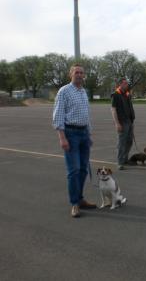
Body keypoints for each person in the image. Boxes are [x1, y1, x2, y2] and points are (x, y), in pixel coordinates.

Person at [52, 64, 96, 218]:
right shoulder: (64, 91)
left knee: (84, 169)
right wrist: (62, 137)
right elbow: (58, 115)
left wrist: (89, 135)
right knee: (74, 170)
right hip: (70, 134)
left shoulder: (84, 92)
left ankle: (80, 198)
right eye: (76, 72)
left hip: (83, 133)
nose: (79, 75)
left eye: (81, 73)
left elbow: (86, 114)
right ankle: (74, 204)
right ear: (70, 74)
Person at [111, 78, 135, 170]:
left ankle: (125, 159)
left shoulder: (127, 94)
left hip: (129, 121)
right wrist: (117, 123)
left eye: (127, 83)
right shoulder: (116, 95)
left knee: (129, 141)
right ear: (120, 84)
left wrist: (132, 121)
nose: (127, 85)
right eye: (125, 83)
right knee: (122, 143)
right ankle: (120, 162)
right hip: (122, 121)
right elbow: (113, 110)